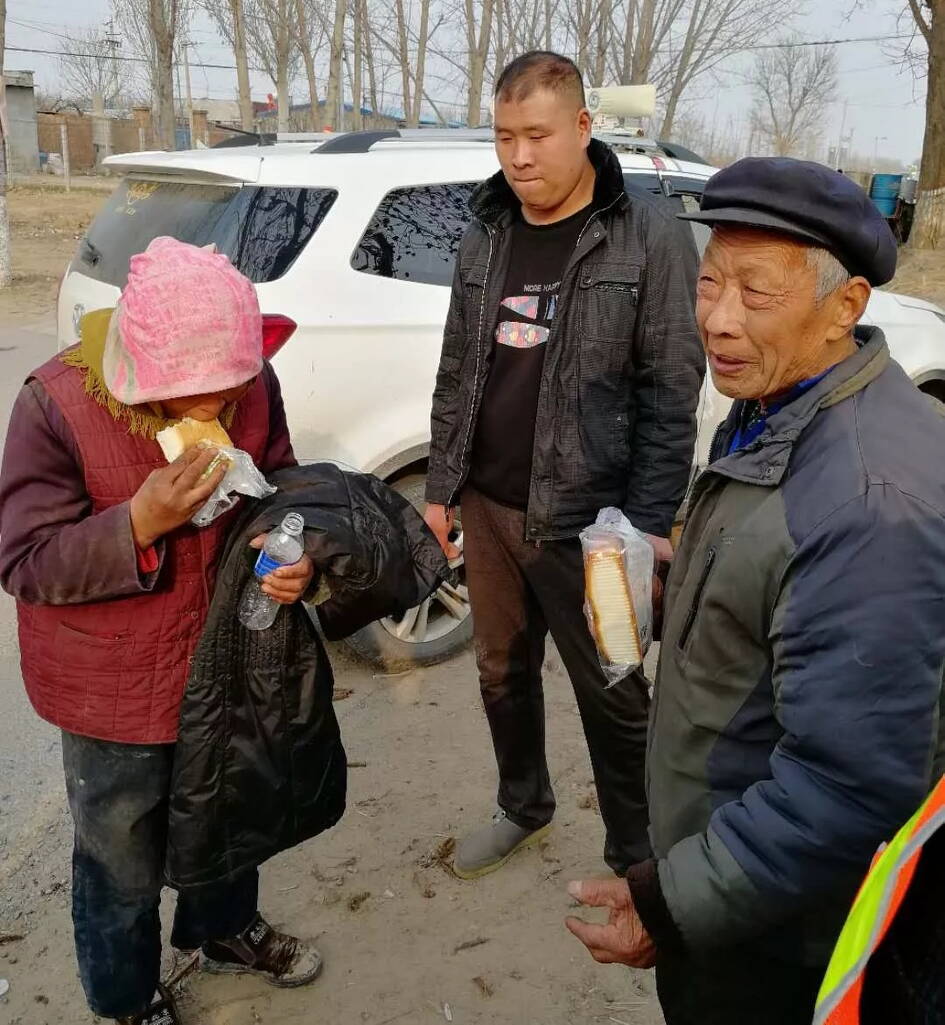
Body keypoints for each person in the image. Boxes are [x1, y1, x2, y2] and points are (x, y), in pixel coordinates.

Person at [565, 157, 945, 1024]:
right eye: (708, 282)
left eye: (755, 293)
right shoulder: (781, 397)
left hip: (779, 927)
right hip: (728, 860)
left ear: (844, 306)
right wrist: (660, 588)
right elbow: (774, 605)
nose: (717, 321)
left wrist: (671, 904)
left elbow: (845, 787)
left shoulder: (871, 499)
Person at [0, 237, 321, 1025]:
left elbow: (279, 480)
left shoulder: (251, 381)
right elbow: (25, 559)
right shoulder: (57, 403)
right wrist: (139, 521)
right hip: (111, 691)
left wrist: (294, 550)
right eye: (188, 398)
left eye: (229, 390)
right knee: (120, 857)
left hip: (224, 660)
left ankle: (223, 930)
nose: (213, 410)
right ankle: (127, 997)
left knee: (230, 814)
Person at [424, 51, 704, 879]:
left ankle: (637, 859)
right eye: (504, 136)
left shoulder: (646, 234)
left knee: (615, 694)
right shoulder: (487, 229)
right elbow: (456, 367)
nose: (518, 156)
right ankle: (523, 804)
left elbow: (669, 389)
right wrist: (442, 487)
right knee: (499, 673)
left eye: (537, 135)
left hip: (594, 523)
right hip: (488, 506)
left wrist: (647, 530)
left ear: (583, 127)